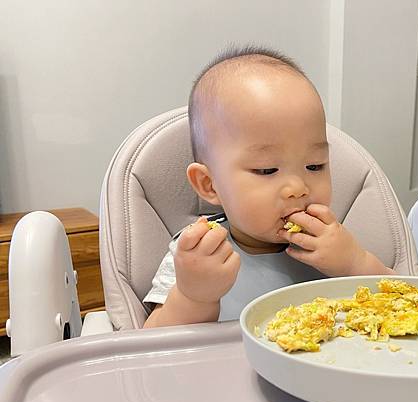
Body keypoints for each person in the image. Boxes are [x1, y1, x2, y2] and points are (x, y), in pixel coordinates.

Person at [143, 45, 395, 328]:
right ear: (209, 184)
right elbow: (150, 343)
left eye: (315, 166)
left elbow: (405, 301)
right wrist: (193, 297)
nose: (297, 188)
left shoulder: (335, 244)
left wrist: (355, 263)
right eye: (267, 170)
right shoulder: (198, 255)